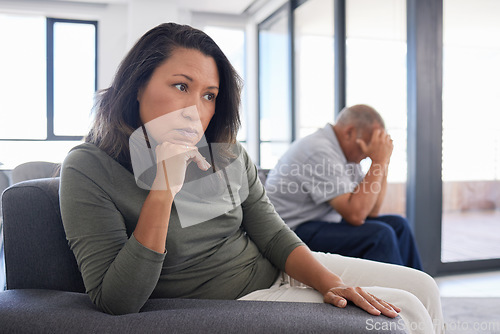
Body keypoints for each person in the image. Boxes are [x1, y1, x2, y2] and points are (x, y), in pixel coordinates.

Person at [59, 23, 443, 333]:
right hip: (232, 300)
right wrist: (163, 188)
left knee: (423, 287)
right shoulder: (88, 168)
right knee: (404, 311)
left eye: (209, 95)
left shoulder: (226, 154)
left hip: (277, 271)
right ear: (138, 85)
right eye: (181, 87)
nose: (196, 109)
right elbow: (117, 301)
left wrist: (328, 282)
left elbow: (274, 235)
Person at [265, 105, 423, 270]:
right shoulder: (319, 150)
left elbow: (371, 211)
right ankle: (393, 295)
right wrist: (378, 161)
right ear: (350, 133)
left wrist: (384, 162)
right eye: (366, 147)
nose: (366, 154)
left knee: (399, 225)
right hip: (290, 233)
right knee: (379, 235)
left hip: (319, 223)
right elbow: (356, 215)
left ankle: (417, 292)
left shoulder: (348, 154)